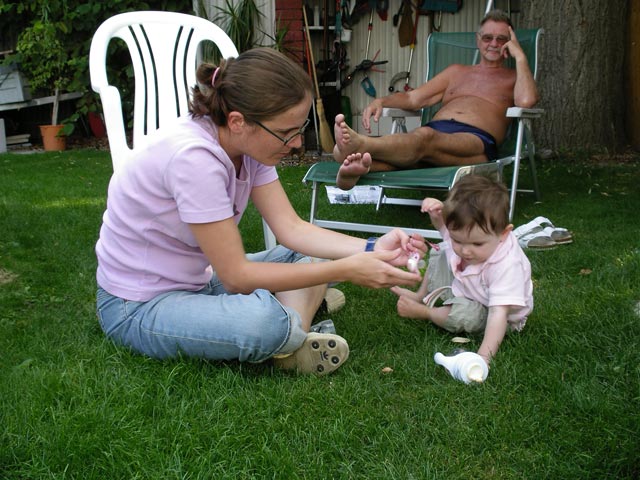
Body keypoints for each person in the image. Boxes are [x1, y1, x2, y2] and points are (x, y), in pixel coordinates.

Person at [95, 48, 427, 377]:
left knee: (309, 257)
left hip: (198, 280)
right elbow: (236, 276)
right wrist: (347, 269)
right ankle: (290, 325)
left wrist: (371, 247)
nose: (297, 143)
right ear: (238, 121)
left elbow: (293, 230)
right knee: (263, 321)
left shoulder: (248, 145)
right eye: (286, 133)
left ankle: (290, 338)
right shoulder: (194, 159)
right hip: (138, 305)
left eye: (300, 128)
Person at [334, 9, 539, 190]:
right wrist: (381, 101)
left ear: (511, 42)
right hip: (435, 135)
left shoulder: (514, 77)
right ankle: (356, 166)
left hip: (476, 141)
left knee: (424, 138)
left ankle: (361, 144)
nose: (494, 44)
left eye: (502, 39)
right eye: (487, 38)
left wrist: (520, 57)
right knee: (413, 155)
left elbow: (526, 101)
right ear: (478, 40)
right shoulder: (456, 72)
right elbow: (413, 98)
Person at [391, 175, 533, 364]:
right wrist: (437, 217)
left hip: (498, 314)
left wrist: (483, 358)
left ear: (503, 234)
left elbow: (498, 313)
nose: (465, 250)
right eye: (458, 240)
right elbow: (445, 234)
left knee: (466, 314)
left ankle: (423, 312)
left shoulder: (507, 265)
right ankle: (420, 296)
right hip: (469, 288)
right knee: (442, 252)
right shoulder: (468, 238)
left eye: (477, 243)